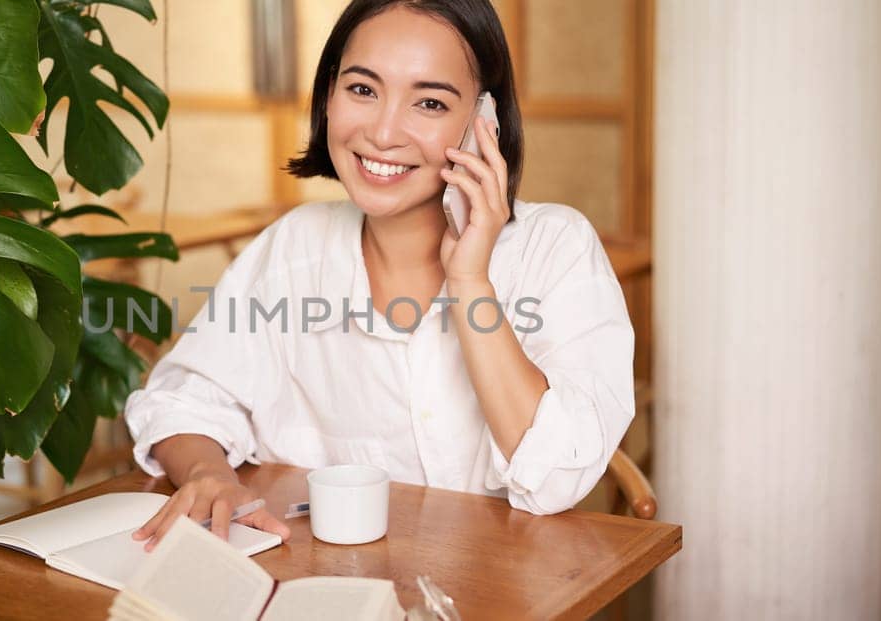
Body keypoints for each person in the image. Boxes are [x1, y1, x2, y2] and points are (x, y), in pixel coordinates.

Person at [128, 0, 634, 550]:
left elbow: (557, 477)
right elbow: (184, 398)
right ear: (328, 94)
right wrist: (208, 473)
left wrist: (469, 283)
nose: (384, 132)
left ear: (482, 122)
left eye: (430, 102)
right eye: (363, 90)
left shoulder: (554, 248)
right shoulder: (296, 244)